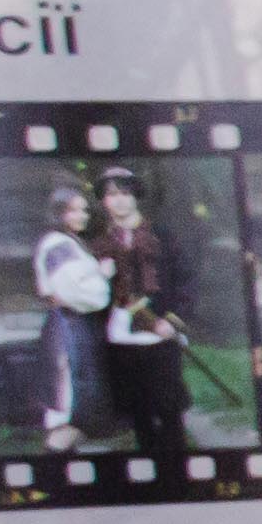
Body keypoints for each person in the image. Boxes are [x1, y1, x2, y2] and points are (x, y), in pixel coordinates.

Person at [89, 171, 187, 451]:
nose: (119, 201)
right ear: (103, 201)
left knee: (169, 409)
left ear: (135, 197)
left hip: (159, 334)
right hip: (120, 337)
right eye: (111, 195)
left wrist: (172, 321)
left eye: (125, 193)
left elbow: (185, 281)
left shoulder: (162, 236)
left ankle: (178, 465)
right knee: (139, 412)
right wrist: (99, 277)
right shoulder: (97, 244)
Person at [24, 179, 105, 446]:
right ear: (59, 213)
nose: (82, 216)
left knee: (74, 389)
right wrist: (102, 277)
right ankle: (58, 453)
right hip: (67, 323)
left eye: (84, 210)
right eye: (73, 210)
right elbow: (77, 293)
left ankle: (69, 448)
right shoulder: (58, 244)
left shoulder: (71, 242)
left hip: (74, 322)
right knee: (64, 391)